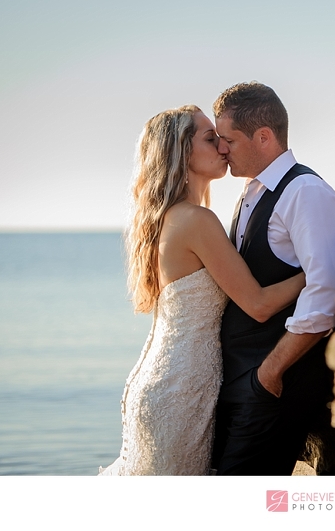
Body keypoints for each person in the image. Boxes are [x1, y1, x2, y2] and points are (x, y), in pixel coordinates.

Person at [99, 105, 305, 476]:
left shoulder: (167, 218)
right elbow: (258, 304)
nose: (224, 148)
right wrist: (319, 271)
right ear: (181, 152)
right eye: (212, 139)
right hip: (181, 390)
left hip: (164, 382)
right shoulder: (196, 220)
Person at [211, 82, 335, 475]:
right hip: (239, 381)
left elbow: (325, 293)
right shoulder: (251, 191)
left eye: (229, 140)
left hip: (272, 385)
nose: (223, 149)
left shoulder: (304, 192)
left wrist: (269, 373)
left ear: (264, 137)